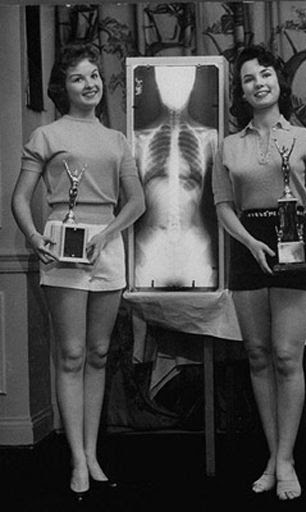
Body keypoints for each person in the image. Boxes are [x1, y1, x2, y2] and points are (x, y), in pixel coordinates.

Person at [11, 44, 145, 500]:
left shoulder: (117, 140)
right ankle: (76, 459)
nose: (89, 84)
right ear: (62, 88)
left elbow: (136, 201)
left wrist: (108, 235)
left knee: (99, 353)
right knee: (70, 354)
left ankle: (91, 452)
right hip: (61, 247)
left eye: (94, 76)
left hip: (106, 247)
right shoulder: (46, 136)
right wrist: (35, 238)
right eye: (77, 78)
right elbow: (19, 197)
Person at [212, 45, 306, 501]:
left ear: (279, 82)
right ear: (241, 92)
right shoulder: (228, 145)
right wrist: (247, 241)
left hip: (295, 241)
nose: (258, 83)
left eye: (265, 74)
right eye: (248, 79)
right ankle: (274, 455)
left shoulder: (305, 138)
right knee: (258, 356)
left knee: (286, 356)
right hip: (249, 247)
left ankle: (284, 460)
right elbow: (224, 206)